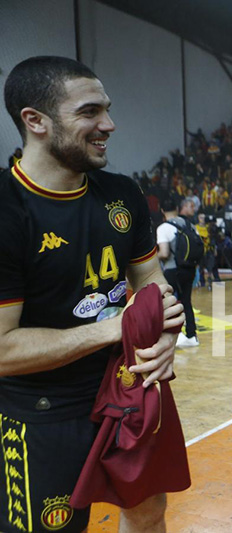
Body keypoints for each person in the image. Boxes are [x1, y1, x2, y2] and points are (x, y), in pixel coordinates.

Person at [0, 56, 183, 532]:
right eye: (89, 112)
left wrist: (165, 336)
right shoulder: (7, 210)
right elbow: (2, 349)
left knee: (148, 513)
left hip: (127, 390)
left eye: (107, 109)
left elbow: (153, 284)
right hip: (42, 411)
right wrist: (116, 328)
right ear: (35, 121)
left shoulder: (122, 193)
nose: (109, 125)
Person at [157, 199, 200, 347]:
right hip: (189, 269)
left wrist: (153, 258)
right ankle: (192, 335)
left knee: (169, 302)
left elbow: (164, 253)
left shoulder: (163, 228)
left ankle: (175, 335)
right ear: (176, 208)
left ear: (162, 211)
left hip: (172, 270)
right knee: (186, 301)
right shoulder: (189, 225)